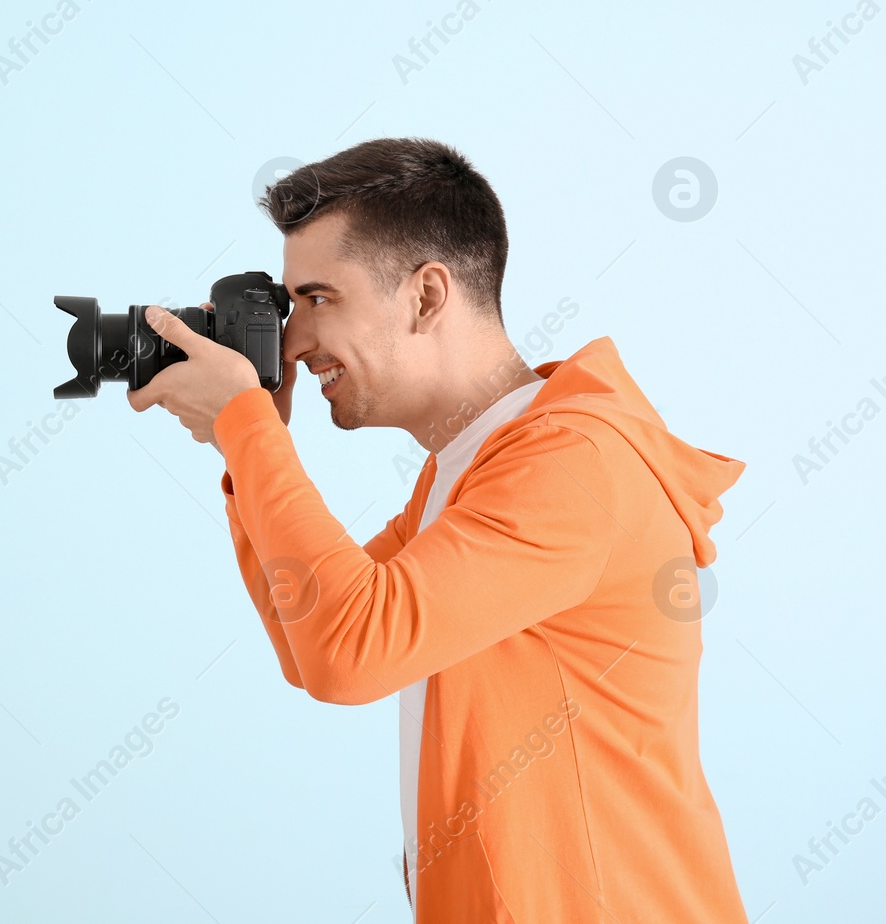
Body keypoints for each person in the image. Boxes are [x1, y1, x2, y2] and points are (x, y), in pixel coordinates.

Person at [127, 137, 749, 922]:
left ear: (425, 296)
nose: (294, 343)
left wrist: (249, 430)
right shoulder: (473, 467)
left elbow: (349, 651)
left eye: (319, 300)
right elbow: (308, 633)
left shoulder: (571, 463)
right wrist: (245, 446)